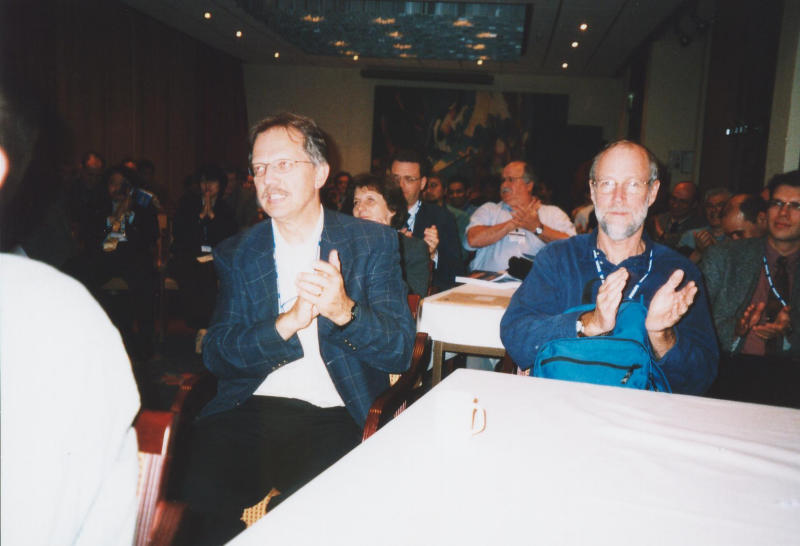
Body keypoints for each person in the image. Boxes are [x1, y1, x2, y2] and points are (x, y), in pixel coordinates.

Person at [180, 113, 415, 545]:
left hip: (336, 413)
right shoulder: (239, 251)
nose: (269, 179)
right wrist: (285, 324)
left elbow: (400, 350)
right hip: (249, 408)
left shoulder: (371, 243)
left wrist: (344, 311)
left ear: (320, 173)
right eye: (259, 168)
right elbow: (217, 353)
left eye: (284, 164)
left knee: (308, 523)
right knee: (192, 507)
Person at [0, 81, 140, 546]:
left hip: (92, 266)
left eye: (108, 177)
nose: (103, 181)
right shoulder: (85, 201)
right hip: (75, 261)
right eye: (97, 174)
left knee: (123, 277)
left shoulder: (54, 319)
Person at [500, 140, 718, 395]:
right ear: (593, 191)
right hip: (563, 404)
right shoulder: (559, 259)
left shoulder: (678, 274)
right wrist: (588, 324)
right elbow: (515, 335)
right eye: (607, 184)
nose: (618, 198)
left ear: (652, 192)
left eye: (633, 184)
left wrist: (662, 336)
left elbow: (701, 378)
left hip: (643, 412)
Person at [700, 171, 800, 357]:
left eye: (795, 206)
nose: (783, 213)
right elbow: (694, 323)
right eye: (777, 203)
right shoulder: (725, 257)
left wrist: (789, 332)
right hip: (730, 366)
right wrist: (735, 330)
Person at [171, 164, 238, 350]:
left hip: (215, 257)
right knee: (194, 272)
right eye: (203, 181)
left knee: (210, 272)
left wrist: (213, 217)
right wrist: (201, 217)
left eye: (212, 182)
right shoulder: (187, 204)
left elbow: (228, 238)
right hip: (189, 255)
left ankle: (205, 328)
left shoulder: (225, 208)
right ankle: (201, 326)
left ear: (221, 185)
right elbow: (180, 235)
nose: (207, 186)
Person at [465, 160, 575, 272]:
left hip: (535, 281)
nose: (504, 185)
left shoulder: (552, 213)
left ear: (529, 185)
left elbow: (573, 247)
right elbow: (472, 240)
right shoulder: (489, 210)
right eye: (503, 180)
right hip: (486, 281)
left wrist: (537, 228)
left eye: (511, 180)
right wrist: (512, 223)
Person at [391, 149, 465, 290]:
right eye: (395, 179)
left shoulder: (441, 217)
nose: (400, 185)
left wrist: (431, 255)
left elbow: (456, 272)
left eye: (409, 179)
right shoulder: (376, 215)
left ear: (423, 183)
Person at [350, 173, 431, 296]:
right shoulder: (347, 245)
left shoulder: (413, 249)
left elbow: (411, 300)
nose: (360, 208)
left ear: (392, 209)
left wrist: (385, 246)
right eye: (356, 202)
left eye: (370, 200)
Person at [423, 174, 470, 263]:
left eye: (433, 185)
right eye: (425, 187)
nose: (428, 190)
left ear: (445, 190)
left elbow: (462, 253)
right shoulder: (416, 215)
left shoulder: (459, 216)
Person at [677, 187, 731, 263]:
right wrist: (698, 252)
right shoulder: (691, 236)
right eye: (709, 206)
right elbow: (680, 267)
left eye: (720, 205)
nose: (714, 210)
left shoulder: (737, 237)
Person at [649, 180, 706, 248]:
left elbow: (678, 244)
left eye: (683, 202)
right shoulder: (659, 219)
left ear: (694, 204)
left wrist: (661, 233)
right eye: (673, 199)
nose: (675, 205)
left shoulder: (699, 226)